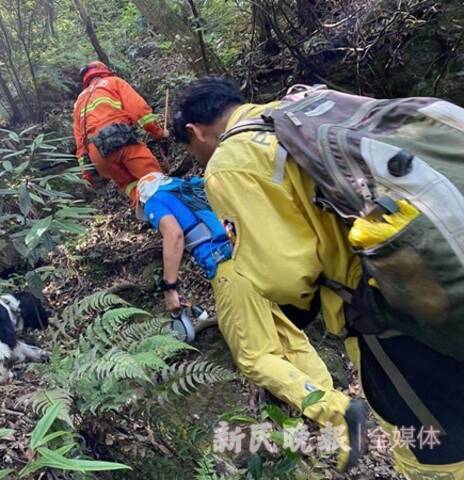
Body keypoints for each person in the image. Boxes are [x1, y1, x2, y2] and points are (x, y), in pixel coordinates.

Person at [172, 76, 464, 479]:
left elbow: (285, 275)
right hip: (441, 264)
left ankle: (339, 413)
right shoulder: (305, 110)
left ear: (195, 131)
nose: (197, 158)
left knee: (434, 451)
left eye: (192, 150)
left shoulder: (231, 161)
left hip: (389, 313)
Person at [136, 171, 367, 472]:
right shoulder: (193, 187)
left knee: (253, 357)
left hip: (228, 269)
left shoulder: (155, 200)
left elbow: (174, 234)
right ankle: (335, 415)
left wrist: (170, 288)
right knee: (287, 337)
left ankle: (338, 411)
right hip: (253, 260)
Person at [73, 61, 169, 204]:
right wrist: (158, 132)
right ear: (104, 71)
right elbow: (139, 110)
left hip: (98, 154)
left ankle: (150, 213)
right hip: (120, 139)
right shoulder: (113, 82)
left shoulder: (79, 102)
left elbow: (79, 143)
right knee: (153, 179)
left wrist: (86, 174)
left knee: (129, 186)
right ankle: (175, 215)